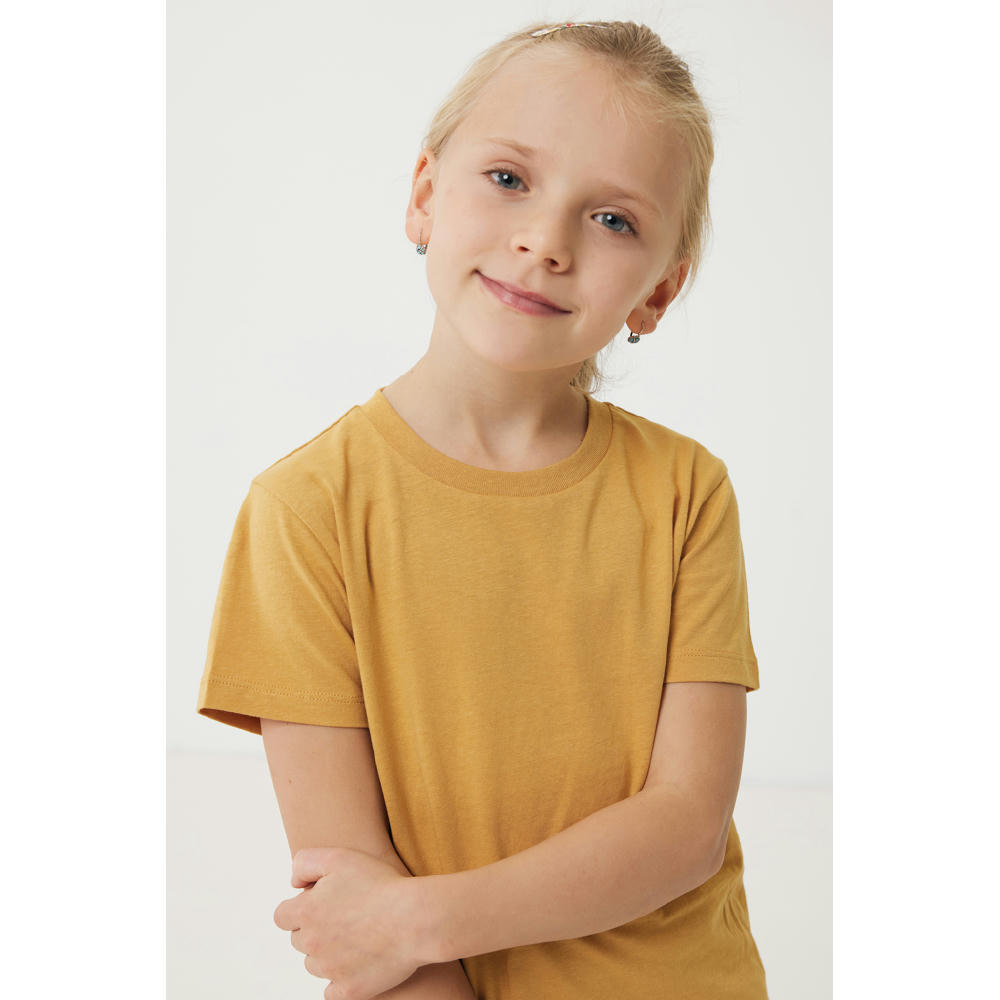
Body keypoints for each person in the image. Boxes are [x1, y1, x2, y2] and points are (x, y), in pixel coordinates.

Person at [196, 18, 768, 1000]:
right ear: (425, 195)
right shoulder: (304, 511)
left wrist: (422, 916)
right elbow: (350, 897)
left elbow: (686, 829)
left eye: (613, 220)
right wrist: (402, 933)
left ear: (658, 292)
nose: (544, 242)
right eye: (508, 178)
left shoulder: (686, 492)